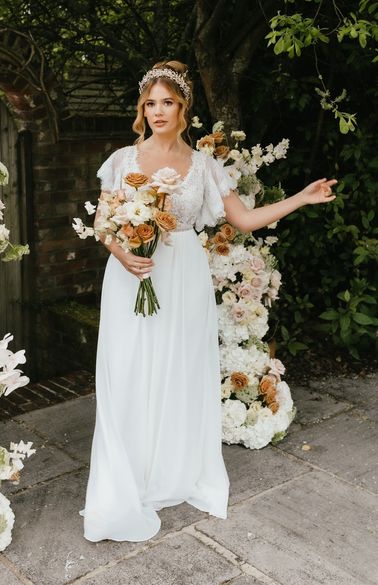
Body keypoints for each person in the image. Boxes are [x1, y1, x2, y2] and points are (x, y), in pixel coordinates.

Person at [78, 60, 337, 542]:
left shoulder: (204, 165)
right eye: (150, 103)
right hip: (133, 274)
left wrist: (300, 197)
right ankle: (127, 476)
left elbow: (243, 220)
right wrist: (121, 251)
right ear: (143, 108)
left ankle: (173, 468)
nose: (158, 111)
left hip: (184, 277)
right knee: (129, 368)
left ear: (183, 109)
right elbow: (103, 223)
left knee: (179, 367)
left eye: (167, 103)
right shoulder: (121, 160)